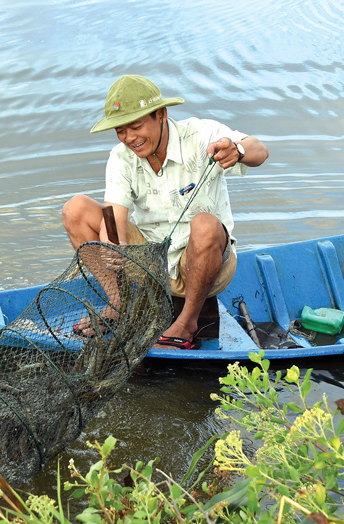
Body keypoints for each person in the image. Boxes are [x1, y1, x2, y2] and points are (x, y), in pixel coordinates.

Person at [63, 74, 269, 349]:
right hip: (152, 264)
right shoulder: (121, 158)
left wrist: (239, 150)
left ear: (161, 114)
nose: (130, 138)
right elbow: (114, 214)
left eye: (136, 126)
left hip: (207, 264)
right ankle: (117, 304)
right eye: (121, 131)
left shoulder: (200, 134)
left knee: (205, 224)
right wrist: (112, 245)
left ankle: (187, 322)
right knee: (75, 209)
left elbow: (260, 150)